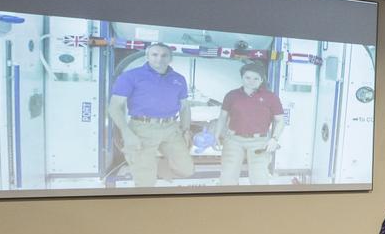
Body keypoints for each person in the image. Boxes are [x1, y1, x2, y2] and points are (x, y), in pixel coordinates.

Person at [107, 43, 194, 187]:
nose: (159, 59)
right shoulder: (130, 76)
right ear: (147, 56)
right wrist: (127, 133)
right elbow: (114, 107)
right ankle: (146, 167)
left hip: (171, 128)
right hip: (142, 128)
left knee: (187, 170)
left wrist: (186, 130)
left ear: (170, 58)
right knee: (146, 182)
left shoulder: (179, 79)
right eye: (154, 54)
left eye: (164, 55)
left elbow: (185, 107)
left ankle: (156, 163)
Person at [213, 63, 285, 185]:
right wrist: (216, 135)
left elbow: (280, 121)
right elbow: (222, 117)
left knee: (259, 180)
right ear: (242, 78)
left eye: (256, 78)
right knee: (227, 178)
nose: (251, 81)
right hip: (233, 140)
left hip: (259, 142)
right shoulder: (232, 95)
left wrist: (274, 139)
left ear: (262, 80)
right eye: (248, 77)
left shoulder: (271, 97)